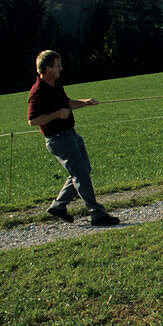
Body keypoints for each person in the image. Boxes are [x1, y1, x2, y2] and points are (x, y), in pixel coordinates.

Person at [27, 50, 120, 227]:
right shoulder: (38, 91)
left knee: (83, 169)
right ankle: (97, 214)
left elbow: (67, 103)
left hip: (70, 135)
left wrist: (85, 102)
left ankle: (58, 206)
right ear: (47, 69)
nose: (61, 68)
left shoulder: (55, 85)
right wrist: (57, 115)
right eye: (57, 65)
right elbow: (32, 120)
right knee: (81, 175)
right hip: (58, 139)